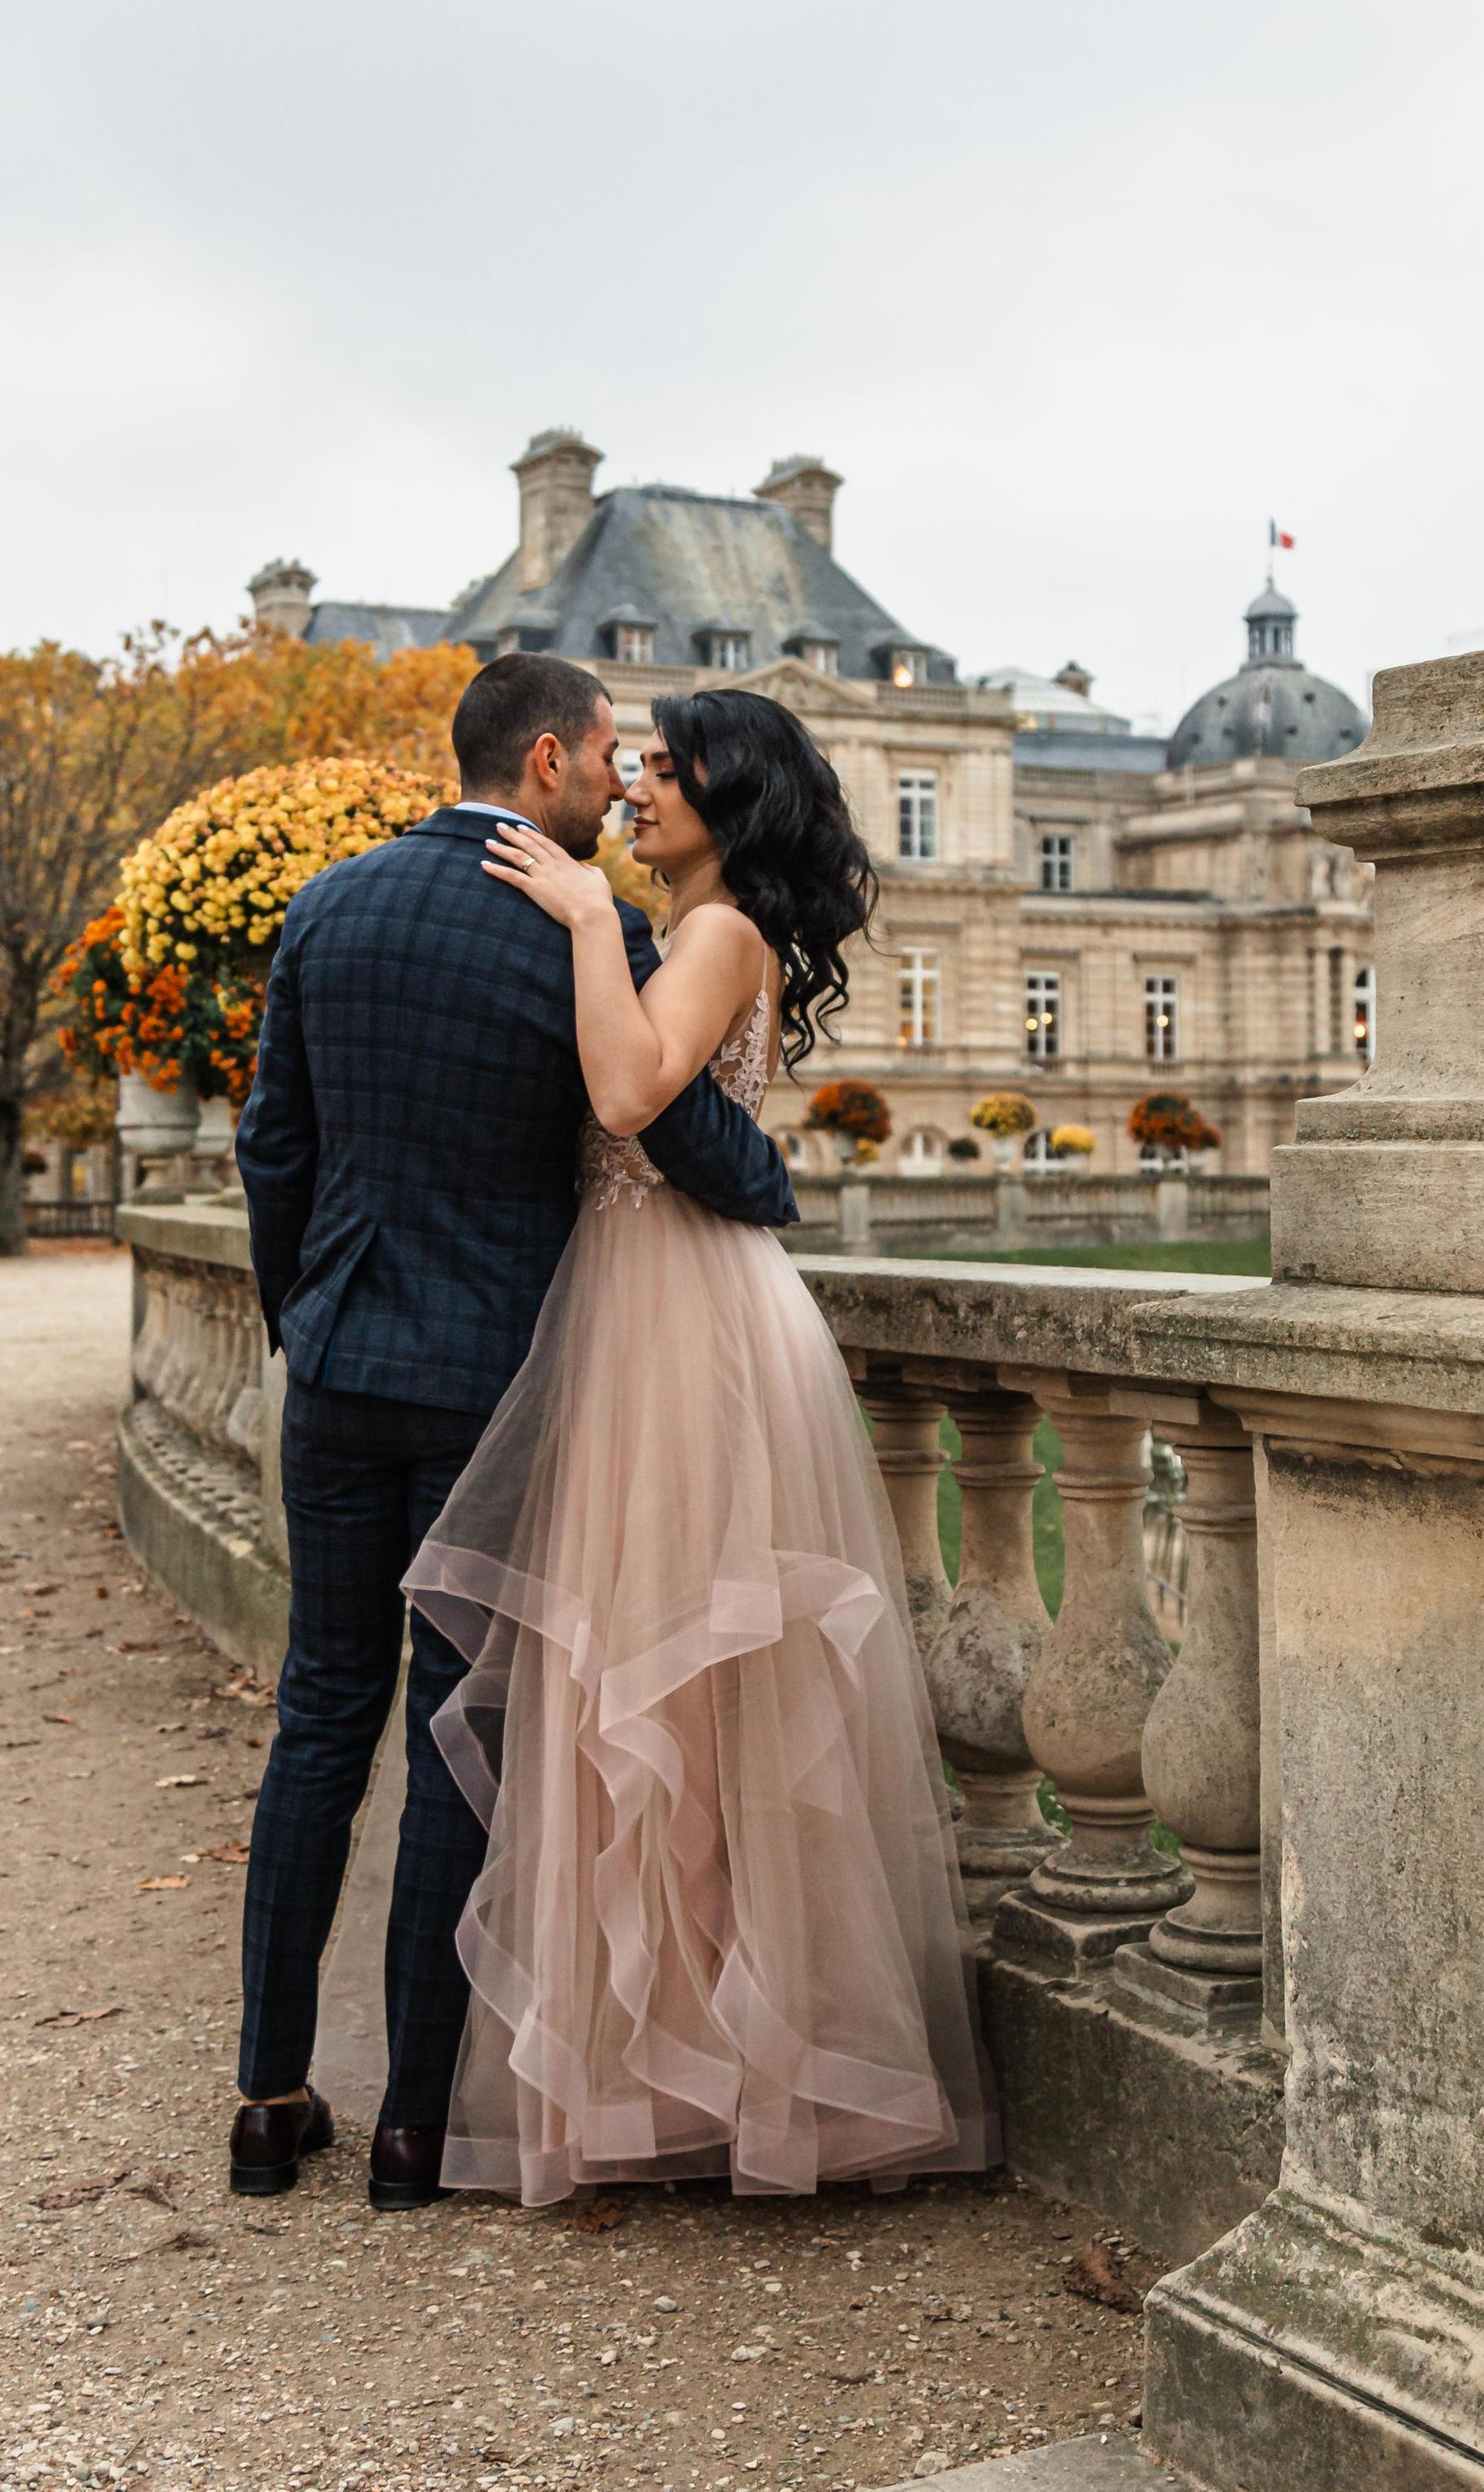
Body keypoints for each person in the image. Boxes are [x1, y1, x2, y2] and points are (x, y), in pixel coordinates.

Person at [402, 687, 996, 2200]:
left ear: (737, 808)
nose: (645, 788)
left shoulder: (715, 930)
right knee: (642, 1700)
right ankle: (675, 2074)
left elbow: (628, 1092)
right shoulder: (688, 930)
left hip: (690, 1325)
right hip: (632, 1307)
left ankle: (753, 2085)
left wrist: (592, 926)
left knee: (698, 1703)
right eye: (643, 765)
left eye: (677, 773)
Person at [229, 654, 797, 2211]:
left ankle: (268, 2103)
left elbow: (272, 1145)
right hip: (494, 1383)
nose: (625, 781)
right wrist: (778, 1191)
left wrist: (304, 1315)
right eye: (613, 754)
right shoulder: (597, 931)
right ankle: (416, 2126)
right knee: (449, 1738)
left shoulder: (329, 906)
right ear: (546, 759)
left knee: (319, 1714)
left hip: (341, 1367)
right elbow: (674, 1132)